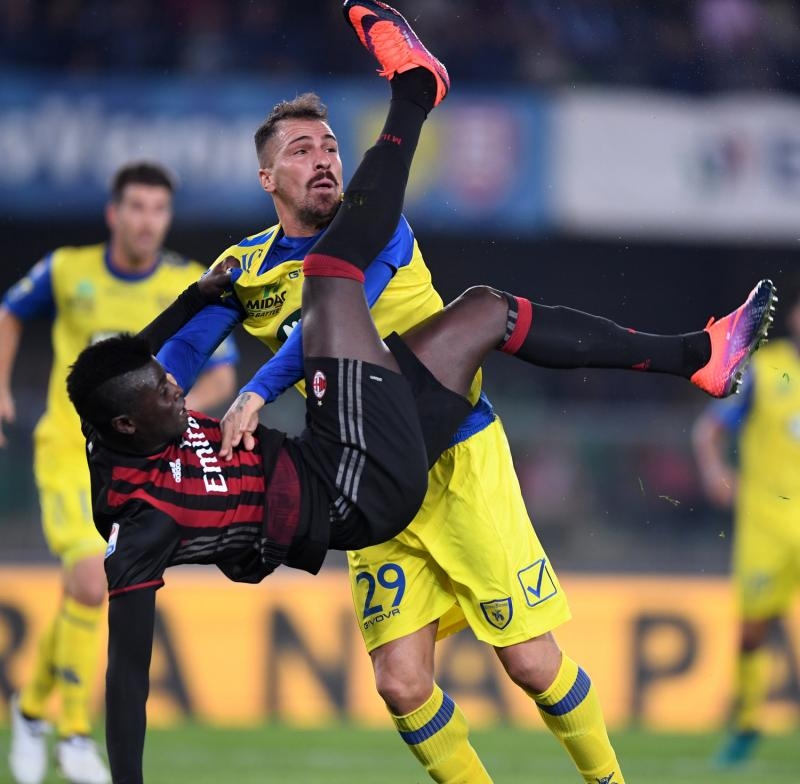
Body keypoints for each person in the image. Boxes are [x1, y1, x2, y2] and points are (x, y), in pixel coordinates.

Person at [155, 2, 776, 782]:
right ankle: (695, 355)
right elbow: (181, 354)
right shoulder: (243, 266)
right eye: (301, 150)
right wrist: (146, 408)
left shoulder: (373, 222)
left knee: (531, 663)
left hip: (450, 447)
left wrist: (256, 388)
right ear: (266, 178)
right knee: (400, 682)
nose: (323, 160)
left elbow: (330, 319)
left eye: (332, 146)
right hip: (364, 470)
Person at [0, 162, 238, 784]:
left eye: (158, 209)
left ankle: (30, 710)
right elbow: (10, 312)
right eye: (136, 207)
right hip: (65, 452)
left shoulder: (190, 282)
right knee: (88, 580)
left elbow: (221, 374)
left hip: (139, 465)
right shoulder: (67, 269)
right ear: (114, 213)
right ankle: (74, 733)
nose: (146, 221)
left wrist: (172, 417)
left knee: (85, 587)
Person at [693, 279, 798, 768]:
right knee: (754, 628)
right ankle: (748, 723)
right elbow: (709, 429)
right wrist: (715, 471)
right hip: (767, 525)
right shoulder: (766, 371)